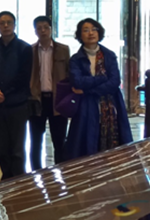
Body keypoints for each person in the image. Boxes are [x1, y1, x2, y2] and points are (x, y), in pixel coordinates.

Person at [65, 18, 133, 160]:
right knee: (85, 145)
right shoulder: (76, 59)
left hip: (111, 104)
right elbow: (78, 81)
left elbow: (114, 82)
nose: (91, 33)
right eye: (86, 30)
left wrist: (88, 90)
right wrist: (102, 78)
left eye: (94, 29)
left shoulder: (109, 55)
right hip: (86, 107)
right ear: (80, 35)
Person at [0, 11, 32, 180]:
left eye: (9, 22)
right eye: (2, 23)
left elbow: (24, 76)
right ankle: (5, 177)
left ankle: (18, 179)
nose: (5, 26)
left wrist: (4, 92)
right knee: (2, 146)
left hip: (17, 104)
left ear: (14, 25)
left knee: (17, 147)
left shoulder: (24, 48)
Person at [28, 16, 70, 170]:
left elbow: (68, 73)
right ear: (35, 31)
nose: (43, 31)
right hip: (37, 100)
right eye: (39, 28)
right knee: (35, 141)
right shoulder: (30, 50)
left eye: (46, 27)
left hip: (57, 99)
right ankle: (36, 172)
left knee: (59, 140)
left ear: (51, 29)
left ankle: (61, 172)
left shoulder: (63, 50)